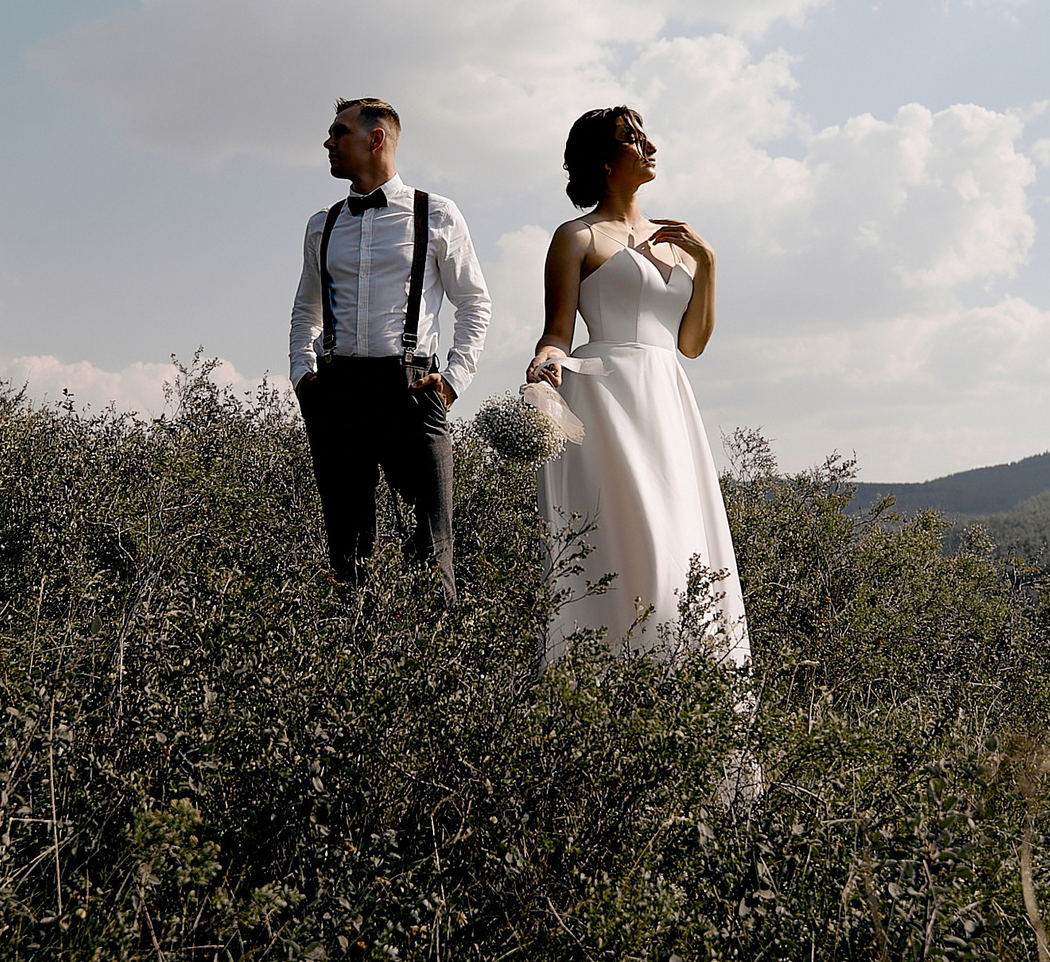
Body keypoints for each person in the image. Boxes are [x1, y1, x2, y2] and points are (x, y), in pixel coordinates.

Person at [524, 106, 749, 670]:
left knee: (681, 539)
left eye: (646, 134)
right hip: (604, 400)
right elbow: (557, 331)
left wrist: (709, 263)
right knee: (633, 538)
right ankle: (618, 682)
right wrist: (544, 364)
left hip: (667, 396)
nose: (649, 144)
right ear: (604, 160)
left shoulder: (679, 242)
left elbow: (691, 343)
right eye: (632, 138)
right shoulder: (576, 236)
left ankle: (685, 688)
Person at [289, 97, 491, 603]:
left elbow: (474, 302)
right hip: (337, 393)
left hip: (412, 388)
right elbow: (304, 309)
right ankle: (354, 662)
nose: (328, 143)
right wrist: (303, 375)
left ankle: (437, 666)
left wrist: (452, 381)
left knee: (431, 543)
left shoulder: (437, 213)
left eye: (339, 132)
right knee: (347, 549)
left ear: (375, 139)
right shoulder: (322, 223)